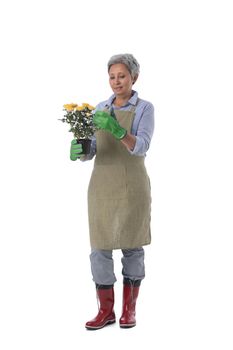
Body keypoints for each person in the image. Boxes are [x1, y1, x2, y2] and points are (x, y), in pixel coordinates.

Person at [70, 53, 154, 330]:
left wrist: (117, 129)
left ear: (134, 78)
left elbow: (140, 146)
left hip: (132, 185)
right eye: (112, 76)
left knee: (132, 246)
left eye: (122, 76)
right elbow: (94, 149)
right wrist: (81, 151)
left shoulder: (144, 108)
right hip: (102, 186)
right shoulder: (99, 109)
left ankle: (128, 310)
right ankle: (105, 311)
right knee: (99, 249)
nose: (116, 82)